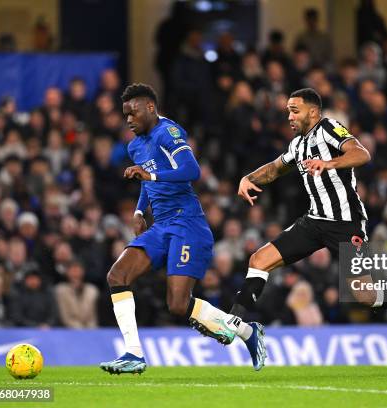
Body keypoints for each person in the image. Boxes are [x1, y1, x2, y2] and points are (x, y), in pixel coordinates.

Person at [231, 87, 387, 340]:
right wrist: (248, 178)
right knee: (259, 260)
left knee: (364, 295)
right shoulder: (298, 144)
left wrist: (329, 163)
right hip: (314, 222)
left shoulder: (328, 128)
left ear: (313, 112)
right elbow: (275, 169)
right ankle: (235, 323)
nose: (290, 117)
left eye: (295, 111)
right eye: (288, 112)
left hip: (346, 224)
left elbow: (361, 153)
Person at [99, 83, 266, 375]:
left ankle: (247, 333)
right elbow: (146, 179)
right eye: (125, 114)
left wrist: (149, 174)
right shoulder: (135, 145)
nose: (128, 120)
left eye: (133, 112)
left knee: (177, 304)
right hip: (161, 225)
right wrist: (140, 210)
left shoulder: (168, 132)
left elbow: (192, 171)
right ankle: (133, 353)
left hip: (187, 224)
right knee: (117, 275)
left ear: (150, 107)